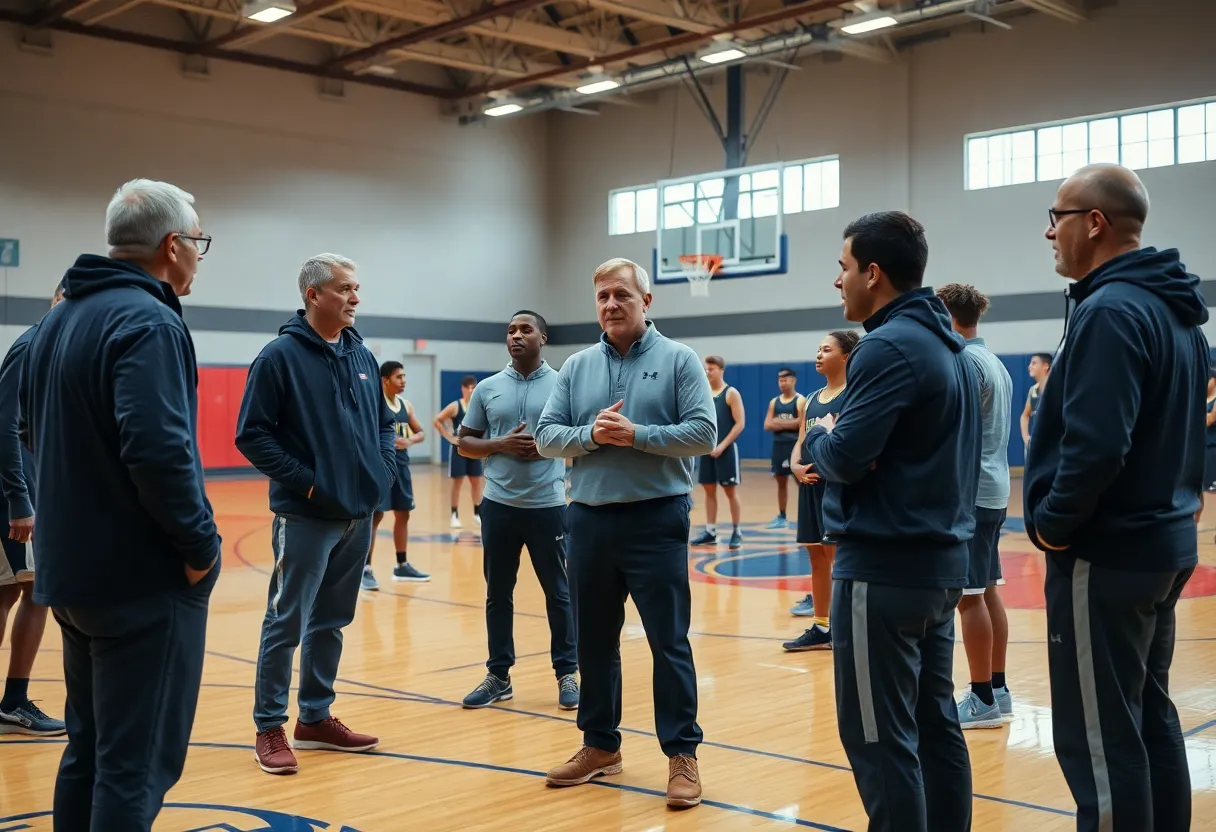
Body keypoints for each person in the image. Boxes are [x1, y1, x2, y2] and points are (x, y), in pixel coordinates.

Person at [18, 179, 222, 830]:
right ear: (172, 245)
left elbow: (29, 432)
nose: (198, 256)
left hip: (71, 576)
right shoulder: (148, 319)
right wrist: (198, 548)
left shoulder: (59, 319)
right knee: (134, 769)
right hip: (140, 581)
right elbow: (158, 450)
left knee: (89, 751)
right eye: (198, 242)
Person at [1027, 163, 1206, 832]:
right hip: (1162, 543)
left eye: (1057, 217)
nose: (1050, 232)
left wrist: (1053, 524)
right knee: (1148, 715)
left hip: (1107, 552)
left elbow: (1099, 446)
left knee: (1100, 740)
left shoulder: (1111, 309)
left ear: (1094, 223)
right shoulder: (1174, 311)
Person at [805, 211, 979, 831]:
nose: (838, 281)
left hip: (883, 570)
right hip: (938, 567)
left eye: (843, 268)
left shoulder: (886, 347)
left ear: (872, 274)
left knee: (880, 739)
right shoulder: (949, 344)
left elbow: (846, 458)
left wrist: (820, 438)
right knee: (935, 726)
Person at [535, 257, 715, 808]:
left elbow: (704, 433)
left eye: (621, 295)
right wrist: (590, 434)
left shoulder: (680, 359)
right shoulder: (576, 366)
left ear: (646, 301)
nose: (611, 305)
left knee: (669, 641)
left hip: (656, 520)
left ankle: (682, 752)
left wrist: (638, 435)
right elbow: (545, 437)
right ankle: (599, 746)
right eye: (602, 297)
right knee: (593, 639)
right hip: (587, 519)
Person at [236, 253, 394, 776]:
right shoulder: (278, 357)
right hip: (306, 516)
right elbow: (252, 434)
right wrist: (307, 483)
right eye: (345, 288)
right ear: (313, 295)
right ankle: (269, 727)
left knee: (333, 620)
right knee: (287, 621)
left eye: (356, 288)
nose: (355, 297)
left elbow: (382, 425)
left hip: (357, 515)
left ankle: (316, 717)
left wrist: (382, 471)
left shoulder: (362, 355)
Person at [456, 311, 579, 711]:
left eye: (526, 329)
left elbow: (580, 438)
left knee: (558, 594)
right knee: (498, 594)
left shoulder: (565, 383)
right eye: (510, 330)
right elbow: (464, 443)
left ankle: (567, 673)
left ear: (542, 337)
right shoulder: (488, 388)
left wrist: (550, 445)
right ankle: (499, 675)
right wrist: (499, 445)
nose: (517, 335)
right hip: (499, 507)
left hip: (547, 507)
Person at [936, 283, 1015, 729]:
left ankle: (981, 697)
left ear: (946, 313)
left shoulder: (964, 361)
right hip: (996, 489)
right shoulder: (994, 361)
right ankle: (998, 689)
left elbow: (955, 434)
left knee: (969, 598)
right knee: (986, 590)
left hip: (972, 493)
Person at [0, 281, 68, 737]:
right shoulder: (33, 346)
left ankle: (12, 702)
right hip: (15, 493)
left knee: (15, 592)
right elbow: (3, 426)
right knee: (34, 589)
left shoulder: (57, 350)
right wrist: (20, 500)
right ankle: (15, 702)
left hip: (30, 488)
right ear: (61, 300)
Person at [782, 331, 858, 652]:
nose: (818, 355)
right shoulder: (810, 399)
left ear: (845, 357)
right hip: (810, 485)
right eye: (817, 350)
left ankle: (845, 627)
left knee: (838, 558)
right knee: (816, 556)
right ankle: (822, 626)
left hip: (836, 487)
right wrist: (795, 466)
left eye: (826, 350)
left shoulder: (854, 393)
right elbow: (801, 439)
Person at [362, 361, 429, 590]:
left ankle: (402, 564)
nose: (404, 381)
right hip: (379, 468)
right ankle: (365, 568)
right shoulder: (373, 403)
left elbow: (421, 432)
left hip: (401, 467)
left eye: (404, 376)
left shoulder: (406, 405)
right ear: (384, 380)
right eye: (399, 377)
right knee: (375, 517)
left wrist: (409, 440)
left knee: (403, 514)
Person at [690, 355, 745, 550]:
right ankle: (711, 531)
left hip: (726, 451)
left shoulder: (731, 393)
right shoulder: (702, 394)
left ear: (721, 370)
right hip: (706, 450)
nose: (707, 372)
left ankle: (736, 530)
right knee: (708, 490)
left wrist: (722, 446)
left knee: (730, 491)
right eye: (706, 369)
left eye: (711, 369)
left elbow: (740, 424)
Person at [434, 376, 484, 529]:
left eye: (473, 388)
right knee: (457, 482)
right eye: (468, 388)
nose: (471, 390)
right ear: (463, 389)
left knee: (476, 482)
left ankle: (477, 514)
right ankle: (454, 515)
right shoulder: (456, 406)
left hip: (474, 448)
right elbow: (437, 420)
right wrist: (449, 437)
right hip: (459, 449)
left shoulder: (479, 406)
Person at [763, 368, 803, 530]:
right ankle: (782, 516)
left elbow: (802, 423)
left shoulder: (800, 401)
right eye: (779, 380)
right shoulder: (774, 402)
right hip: (778, 447)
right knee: (780, 482)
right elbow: (767, 424)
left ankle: (806, 516)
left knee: (802, 483)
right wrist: (790, 423)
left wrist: (778, 423)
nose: (782, 383)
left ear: (793, 380)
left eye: (785, 379)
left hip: (795, 447)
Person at [1019, 353, 1051, 447]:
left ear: (1045, 366)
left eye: (1034, 363)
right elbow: (1024, 416)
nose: (1030, 366)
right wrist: (1026, 439)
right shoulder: (1033, 390)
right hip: (1038, 443)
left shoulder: (1057, 388)